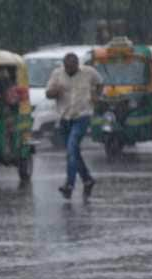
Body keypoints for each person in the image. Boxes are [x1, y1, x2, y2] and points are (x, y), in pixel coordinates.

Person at [46, 53, 103, 199]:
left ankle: (69, 184)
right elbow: (48, 93)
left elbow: (100, 82)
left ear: (78, 64)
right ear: (64, 66)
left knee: (71, 148)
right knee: (74, 153)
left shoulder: (89, 72)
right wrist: (55, 91)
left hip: (82, 116)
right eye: (68, 68)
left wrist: (97, 96)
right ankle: (87, 179)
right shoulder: (57, 74)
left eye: (73, 67)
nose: (71, 70)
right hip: (64, 118)